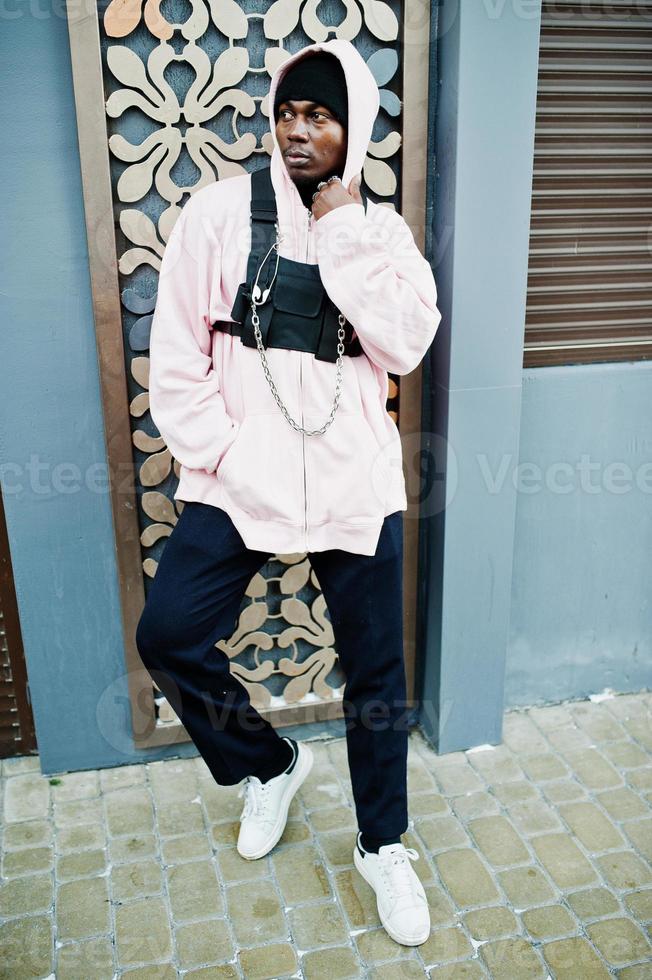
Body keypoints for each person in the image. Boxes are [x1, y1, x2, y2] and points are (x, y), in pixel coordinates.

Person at [136, 38, 442, 947]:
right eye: (290, 113)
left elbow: (408, 342)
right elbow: (179, 353)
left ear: (355, 127)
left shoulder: (382, 235)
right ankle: (267, 768)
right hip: (243, 479)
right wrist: (227, 452)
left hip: (353, 481)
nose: (299, 131)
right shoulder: (218, 214)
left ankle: (382, 844)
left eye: (321, 115)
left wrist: (344, 227)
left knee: (377, 677)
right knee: (170, 636)